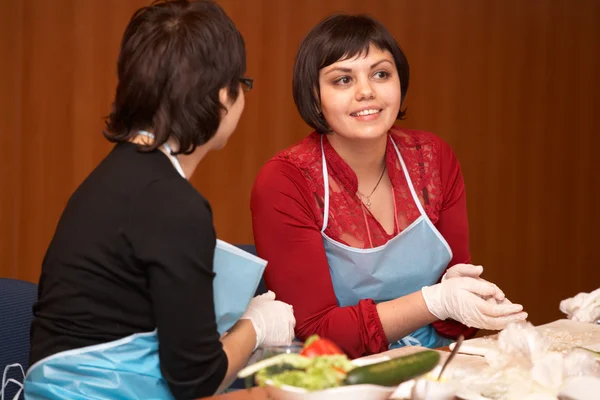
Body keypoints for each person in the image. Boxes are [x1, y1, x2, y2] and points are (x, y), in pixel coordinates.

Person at [24, 1, 295, 399]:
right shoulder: (173, 205)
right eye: (243, 84)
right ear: (222, 96)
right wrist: (256, 325)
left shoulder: (108, 180)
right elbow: (197, 379)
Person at [250, 13, 527, 359]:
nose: (366, 92)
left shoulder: (432, 159)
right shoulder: (287, 181)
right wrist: (435, 300)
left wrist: (467, 299)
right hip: (335, 377)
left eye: (381, 74)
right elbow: (316, 332)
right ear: (313, 95)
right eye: (342, 80)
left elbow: (457, 326)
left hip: (435, 365)